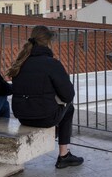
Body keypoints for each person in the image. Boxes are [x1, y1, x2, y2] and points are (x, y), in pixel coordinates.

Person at [7, 25, 83, 168]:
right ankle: (63, 154)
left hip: (22, 116)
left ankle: (57, 138)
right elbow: (68, 95)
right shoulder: (52, 64)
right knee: (69, 108)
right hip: (45, 117)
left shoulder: (20, 62)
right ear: (48, 43)